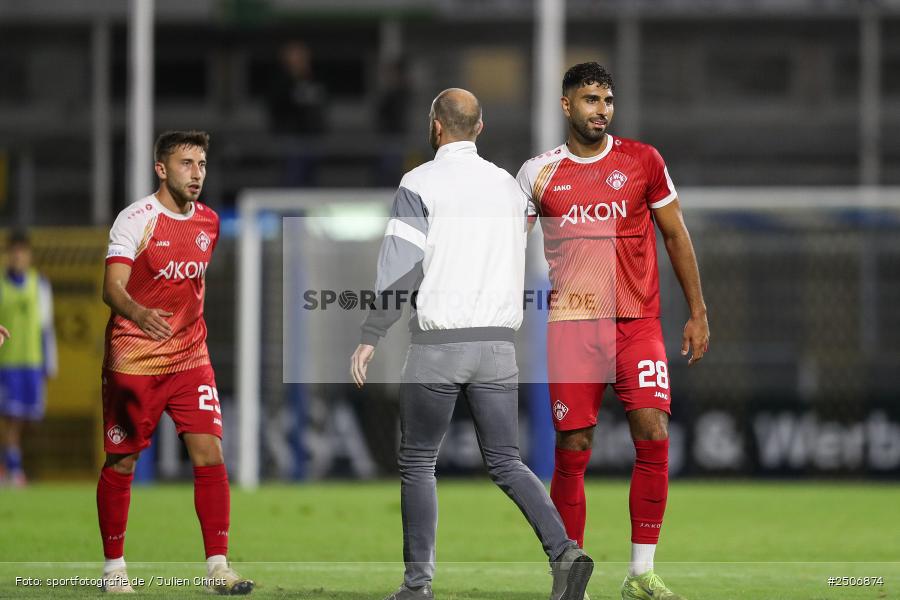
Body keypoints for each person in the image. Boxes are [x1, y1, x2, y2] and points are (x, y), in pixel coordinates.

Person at [350, 89, 594, 600]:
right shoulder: (508, 187)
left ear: (435, 126)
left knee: (418, 461)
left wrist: (372, 335)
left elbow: (400, 268)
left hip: (440, 343)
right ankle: (563, 551)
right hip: (499, 347)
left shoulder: (419, 183)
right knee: (506, 461)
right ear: (479, 128)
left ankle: (418, 587)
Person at [516, 63, 710, 600]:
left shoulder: (642, 161)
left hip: (637, 323)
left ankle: (641, 572)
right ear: (566, 106)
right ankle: (568, 569)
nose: (601, 109)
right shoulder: (537, 173)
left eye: (607, 100)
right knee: (573, 444)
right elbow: (507, 246)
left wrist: (697, 311)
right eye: (590, 100)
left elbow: (674, 235)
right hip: (574, 325)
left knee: (653, 432)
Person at [96, 131, 253, 594]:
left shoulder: (209, 222)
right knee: (122, 461)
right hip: (134, 360)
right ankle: (114, 570)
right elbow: (112, 287)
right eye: (186, 163)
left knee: (210, 454)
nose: (197, 173)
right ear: (161, 169)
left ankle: (218, 568)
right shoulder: (136, 220)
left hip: (190, 358)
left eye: (202, 164)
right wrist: (140, 312)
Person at [0, 230, 57, 486]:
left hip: (32, 363)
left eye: (22, 251)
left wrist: (49, 362)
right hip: (6, 363)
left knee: (24, 420)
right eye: (13, 251)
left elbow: (46, 326)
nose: (17, 256)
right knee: (8, 418)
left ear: (29, 255)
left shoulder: (40, 285)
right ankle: (13, 468)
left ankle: (9, 464)